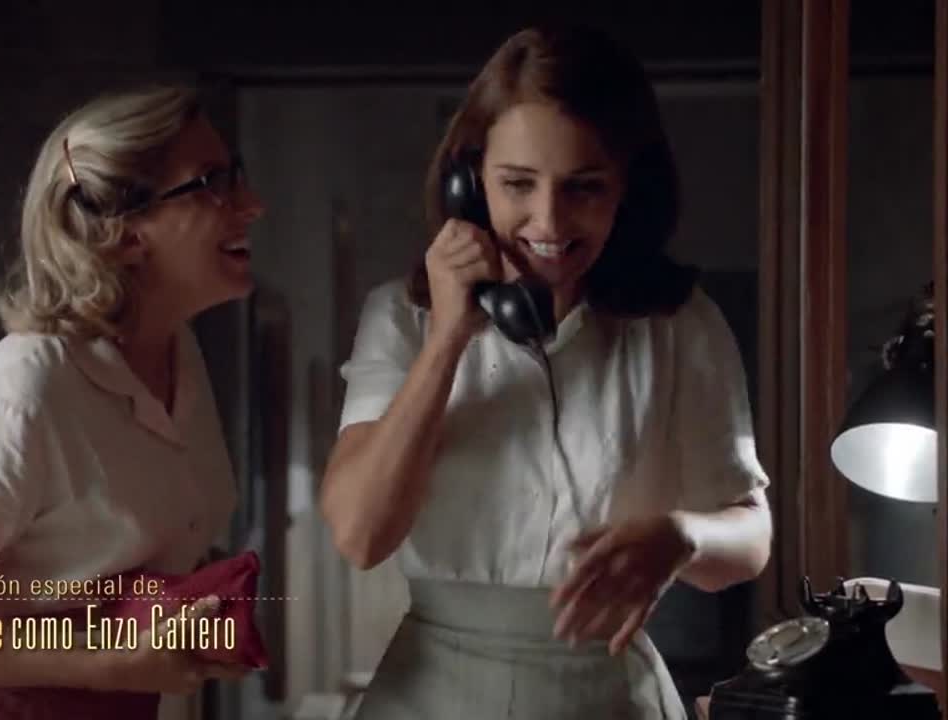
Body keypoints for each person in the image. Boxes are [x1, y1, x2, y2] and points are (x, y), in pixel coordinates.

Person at [320, 24, 772, 719]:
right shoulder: (400, 318)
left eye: (584, 188)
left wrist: (683, 537)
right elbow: (360, 535)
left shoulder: (680, 325)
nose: (549, 221)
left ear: (627, 187)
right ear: (470, 182)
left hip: (611, 694)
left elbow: (751, 536)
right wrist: (446, 341)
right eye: (518, 184)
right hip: (431, 692)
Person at [0, 84, 265, 718]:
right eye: (212, 182)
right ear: (123, 232)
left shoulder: (179, 354)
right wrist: (105, 663)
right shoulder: (30, 385)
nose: (251, 205)